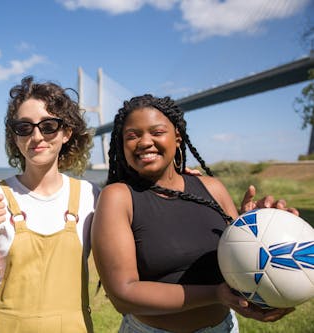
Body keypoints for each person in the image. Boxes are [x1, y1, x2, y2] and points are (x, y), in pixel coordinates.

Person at [90, 94, 299, 333]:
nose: (144, 142)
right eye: (132, 135)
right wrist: (217, 294)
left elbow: (242, 260)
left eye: (157, 132)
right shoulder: (118, 197)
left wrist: (263, 227)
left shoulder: (212, 188)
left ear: (177, 136)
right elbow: (123, 295)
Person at [0, 76, 99, 333]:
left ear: (67, 132)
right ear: (14, 138)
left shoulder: (92, 196)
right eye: (24, 127)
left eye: (49, 126)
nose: (36, 136)